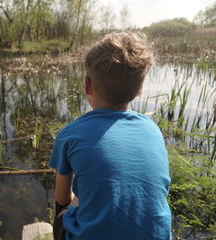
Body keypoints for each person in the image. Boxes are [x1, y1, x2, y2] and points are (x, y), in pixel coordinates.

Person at [49, 32, 172, 240]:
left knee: (64, 210)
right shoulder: (153, 130)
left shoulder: (69, 134)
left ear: (87, 85)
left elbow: (62, 198)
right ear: (139, 90)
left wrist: (78, 202)